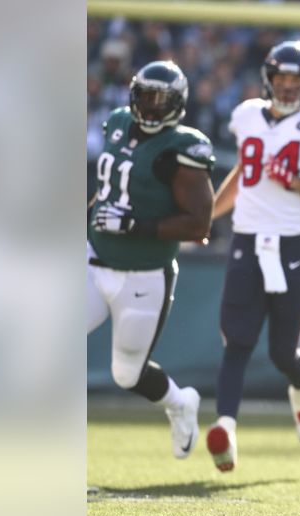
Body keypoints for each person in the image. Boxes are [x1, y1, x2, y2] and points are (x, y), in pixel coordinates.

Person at [206, 40, 300, 472]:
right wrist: (208, 215)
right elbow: (244, 176)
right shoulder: (247, 115)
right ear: (269, 79)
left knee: (282, 352)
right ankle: (226, 428)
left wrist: (294, 181)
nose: (287, 86)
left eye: (295, 79)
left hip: (290, 243)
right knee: (236, 340)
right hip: (246, 240)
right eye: (281, 78)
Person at [87, 60, 215, 459]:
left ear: (178, 104)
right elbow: (108, 193)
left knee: (127, 374)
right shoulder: (118, 121)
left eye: (163, 101)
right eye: (146, 97)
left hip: (144, 277)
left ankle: (180, 403)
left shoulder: (183, 149)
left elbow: (199, 225)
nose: (152, 107)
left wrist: (134, 225)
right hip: (92, 260)